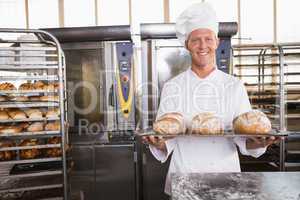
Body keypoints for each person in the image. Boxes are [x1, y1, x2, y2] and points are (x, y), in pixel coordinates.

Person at [142, 2, 279, 196]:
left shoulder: (234, 86)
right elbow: (166, 141)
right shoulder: (173, 87)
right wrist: (156, 143)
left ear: (217, 42)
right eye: (196, 40)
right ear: (187, 45)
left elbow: (245, 140)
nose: (203, 45)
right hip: (184, 177)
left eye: (208, 38)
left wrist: (260, 143)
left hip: (226, 178)